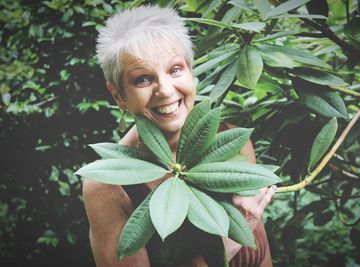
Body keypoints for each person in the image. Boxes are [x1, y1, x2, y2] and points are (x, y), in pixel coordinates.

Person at [82, 5, 277, 267]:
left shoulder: (231, 141)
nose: (165, 90)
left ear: (191, 71)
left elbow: (261, 257)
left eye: (175, 69)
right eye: (142, 79)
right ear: (118, 94)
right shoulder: (106, 185)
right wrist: (232, 237)